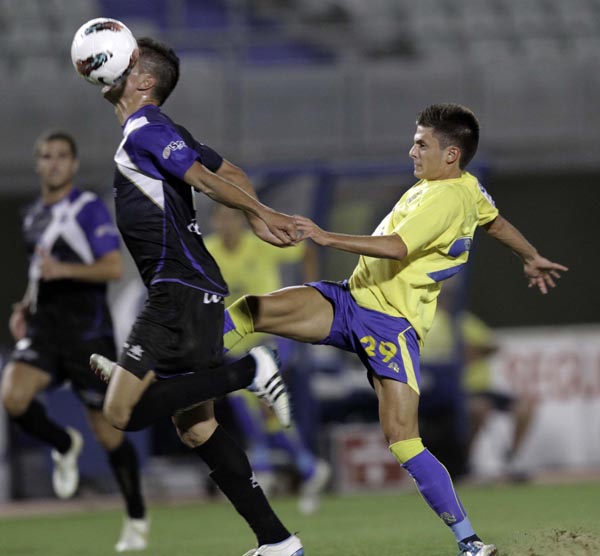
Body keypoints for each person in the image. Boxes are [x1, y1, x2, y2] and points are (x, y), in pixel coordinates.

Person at [222, 103, 569, 556]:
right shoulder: (464, 188)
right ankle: (173, 365)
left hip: (390, 326)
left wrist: (326, 237)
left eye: (422, 143)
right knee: (252, 310)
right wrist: (529, 254)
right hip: (350, 301)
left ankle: (470, 543)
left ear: (451, 154)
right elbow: (495, 221)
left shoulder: (446, 198)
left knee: (403, 440)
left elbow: (397, 246)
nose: (412, 150)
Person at [89, 37, 304, 556]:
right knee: (197, 428)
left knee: (120, 414)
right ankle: (277, 541)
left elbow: (206, 180)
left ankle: (249, 372)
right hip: (195, 289)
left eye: (131, 60)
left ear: (143, 81)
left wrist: (264, 214)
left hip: (177, 289)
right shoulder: (163, 131)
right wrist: (255, 211)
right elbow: (228, 172)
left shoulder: (145, 128)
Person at [0, 130, 149, 552]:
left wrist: (64, 274)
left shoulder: (87, 210)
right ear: (37, 163)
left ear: (74, 164)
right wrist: (24, 307)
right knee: (12, 396)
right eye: (46, 156)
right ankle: (64, 444)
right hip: (46, 331)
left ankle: (136, 517)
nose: (54, 163)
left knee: (111, 433)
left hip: (89, 335)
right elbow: (39, 270)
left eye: (62, 156)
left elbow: (113, 268)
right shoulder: (30, 215)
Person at [205, 204, 331, 514]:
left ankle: (264, 469)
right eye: (221, 217)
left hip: (272, 333)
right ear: (213, 222)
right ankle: (308, 467)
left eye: (232, 217)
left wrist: (312, 293)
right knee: (253, 405)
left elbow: (305, 251)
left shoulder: (260, 243)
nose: (227, 223)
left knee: (260, 396)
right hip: (235, 341)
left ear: (241, 220)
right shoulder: (207, 250)